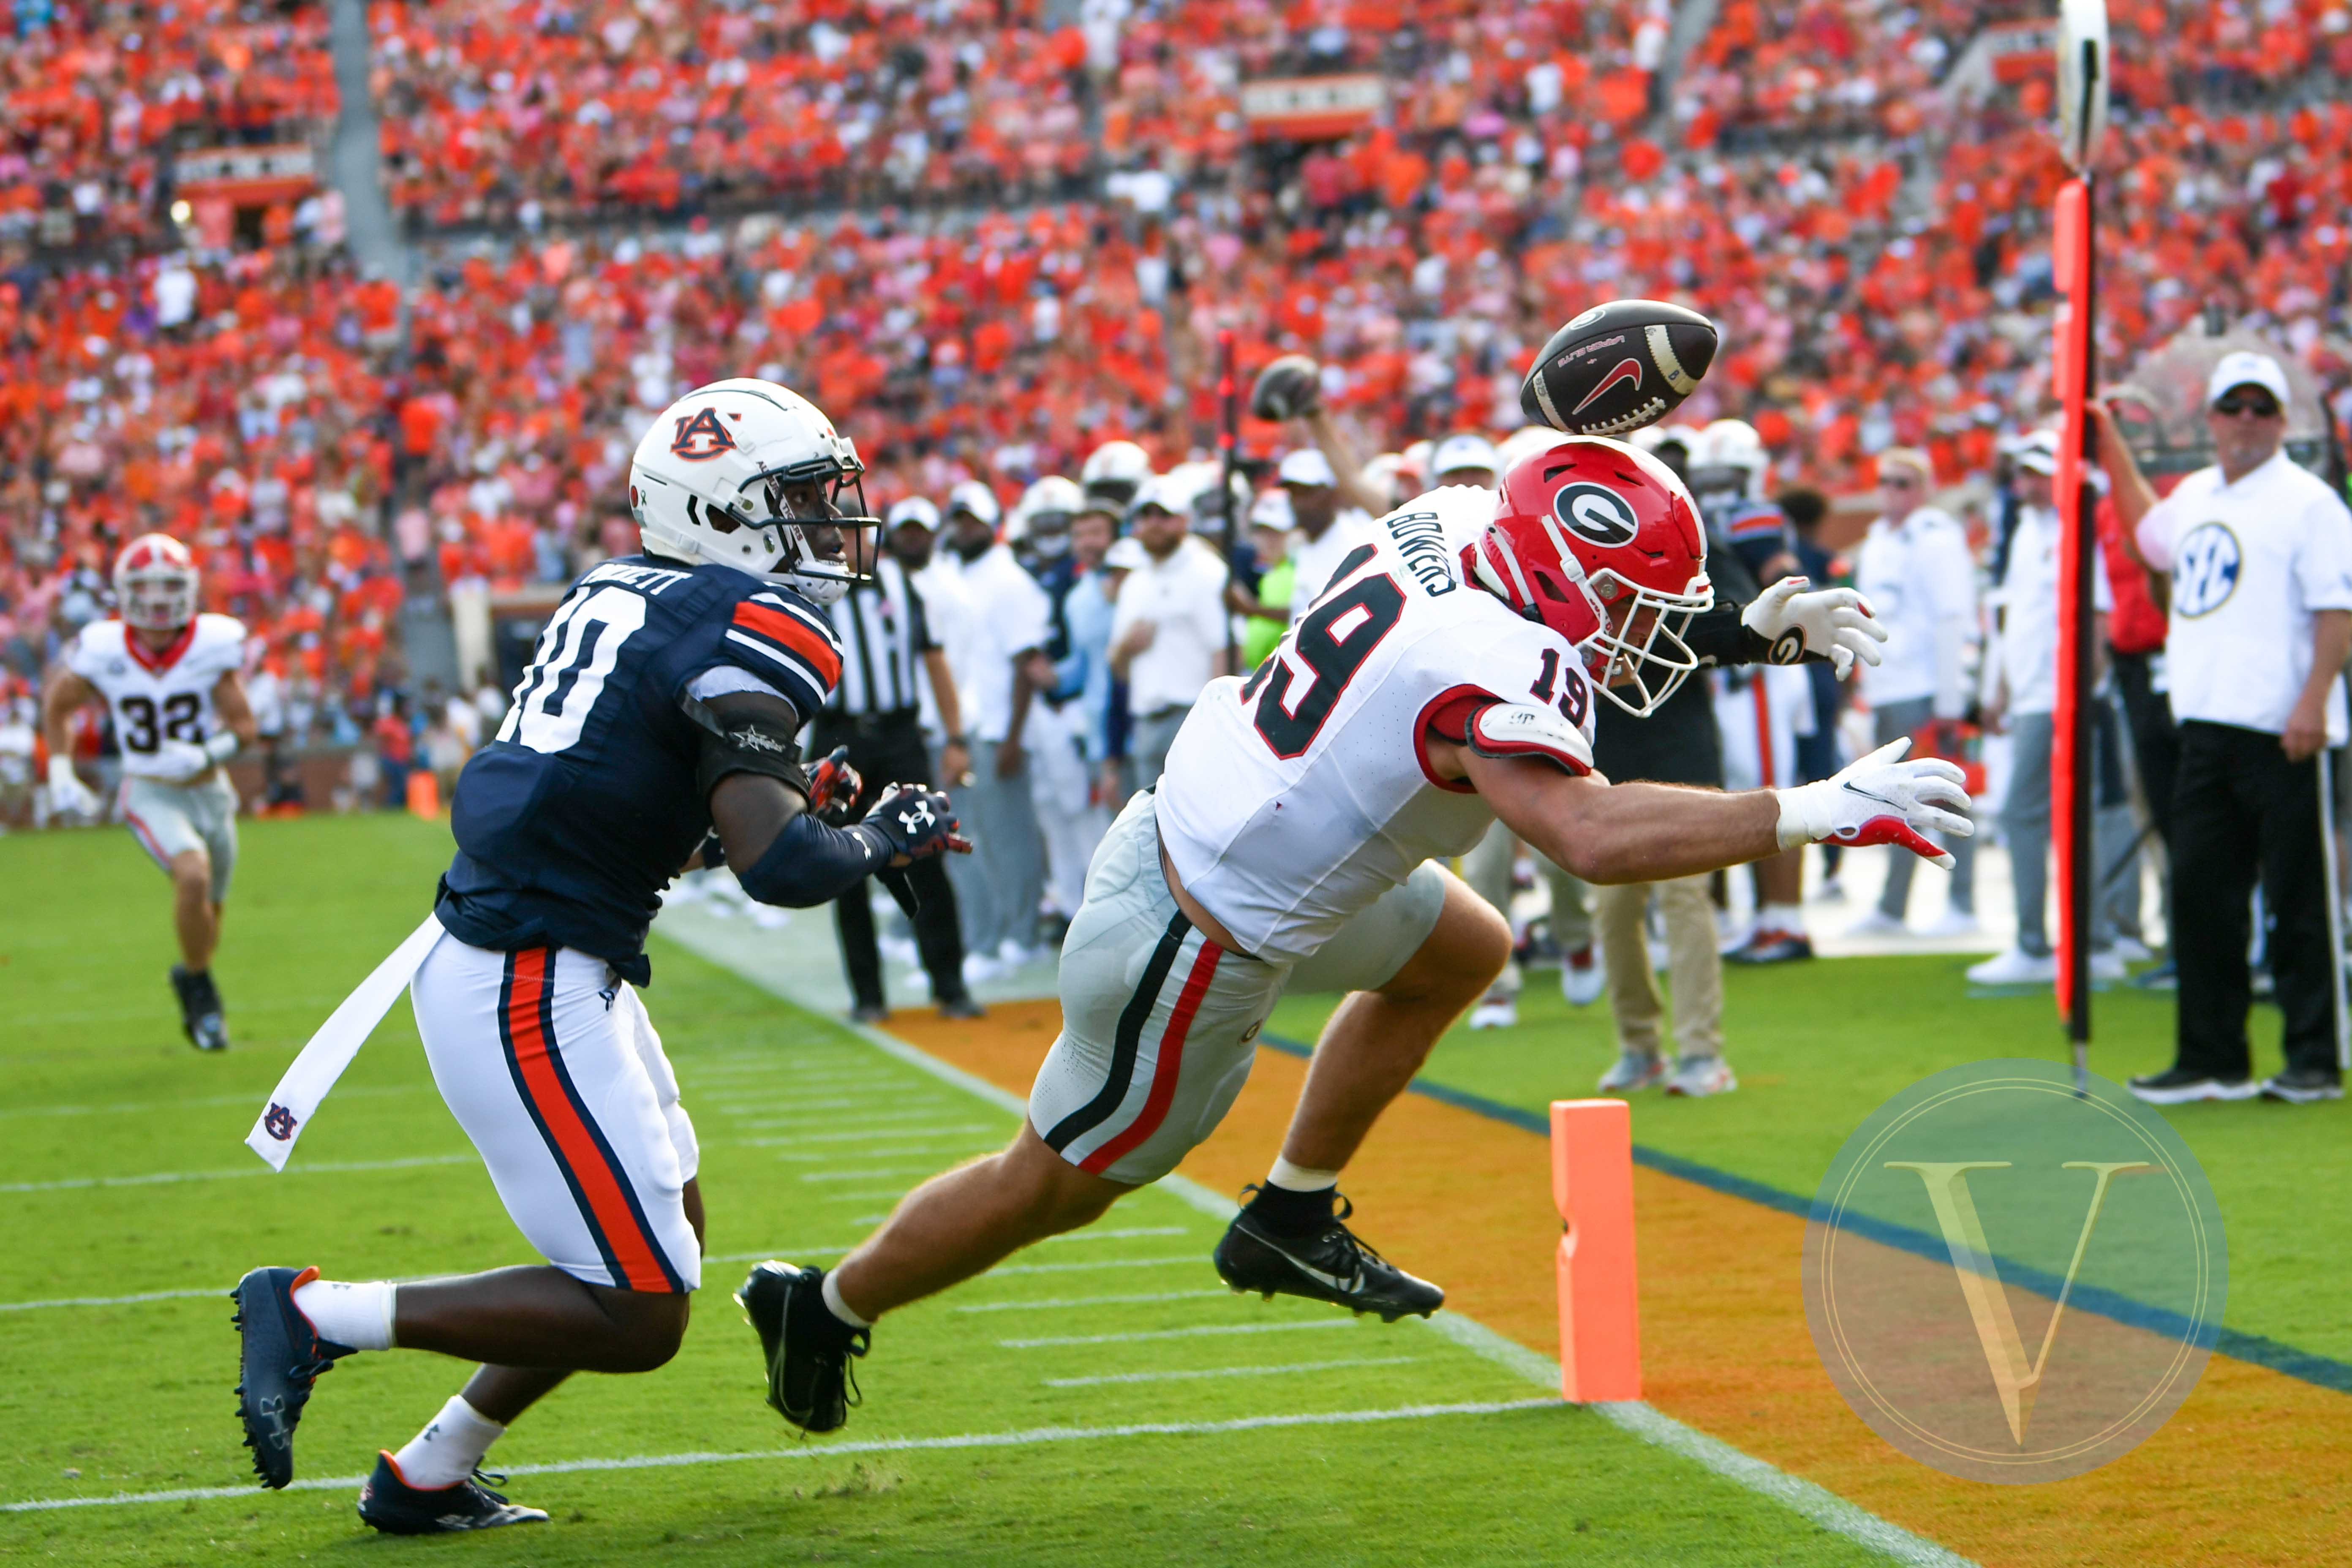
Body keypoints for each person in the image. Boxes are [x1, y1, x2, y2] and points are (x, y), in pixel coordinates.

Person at [732, 436, 1939, 1437]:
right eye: (1626, 603)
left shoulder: (1459, 516)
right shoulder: (1486, 662)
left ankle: (1291, 1214)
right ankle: (828, 1304)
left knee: (1463, 948)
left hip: (1244, 843)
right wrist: (1820, 808)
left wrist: (1735, 632)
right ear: (1562, 576)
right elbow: (1587, 831)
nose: (1634, 629)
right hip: (1194, 939)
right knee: (1055, 1182)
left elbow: (1568, 567)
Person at [230, 380, 965, 1531]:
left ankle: (425, 1473)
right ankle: (320, 1314)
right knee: (641, 1310)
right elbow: (784, 871)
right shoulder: (755, 626)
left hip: (545, 946)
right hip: (527, 975)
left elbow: (630, 799)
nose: (834, 528)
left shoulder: (625, 588)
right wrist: (879, 834)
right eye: (805, 503)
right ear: (723, 516)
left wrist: (776, 803)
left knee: (669, 1220)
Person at [2095, 351, 2352, 1104]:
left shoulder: (2309, 503)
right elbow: (2149, 539)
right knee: (2200, 895)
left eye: (2259, 407)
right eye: (2231, 406)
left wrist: (2312, 701)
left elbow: (2335, 613)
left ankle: (2311, 1058)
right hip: (2203, 722)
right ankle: (2211, 1055)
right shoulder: (2197, 493)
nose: (2245, 420)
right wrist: (2109, 442)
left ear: (2281, 418)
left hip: (2283, 728)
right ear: (2209, 417)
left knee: (2297, 899)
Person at [42, 533, 257, 1051]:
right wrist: (60, 771)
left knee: (211, 914)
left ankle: (193, 975)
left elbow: (245, 727)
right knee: (192, 875)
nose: (159, 600)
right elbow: (57, 705)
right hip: (151, 791)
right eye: (147, 587)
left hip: (210, 793)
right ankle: (204, 996)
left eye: (169, 587)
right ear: (125, 592)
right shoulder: (105, 648)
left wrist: (207, 753)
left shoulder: (211, 643)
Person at [1967, 430, 2127, 987]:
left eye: (2038, 472)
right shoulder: (2027, 531)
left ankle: (2045, 942)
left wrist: (2081, 694)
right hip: (2036, 694)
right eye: (2023, 472)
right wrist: (2001, 688)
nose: (2026, 482)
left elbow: (2100, 619)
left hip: (2060, 697)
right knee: (2058, 817)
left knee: (2032, 815)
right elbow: (2016, 622)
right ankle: (2087, 939)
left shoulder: (2074, 531)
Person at [815, 506, 980, 1022]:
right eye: (844, 533)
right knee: (845, 868)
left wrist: (955, 737)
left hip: (899, 736)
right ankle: (868, 994)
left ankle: (949, 983)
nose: (854, 544)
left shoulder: (903, 588)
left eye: (860, 534)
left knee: (928, 854)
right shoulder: (812, 591)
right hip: (841, 740)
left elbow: (935, 661)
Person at [1848, 447, 1981, 937]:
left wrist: (1950, 702)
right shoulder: (1879, 539)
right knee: (1889, 802)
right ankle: (1892, 905)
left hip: (1925, 687)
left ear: (1923, 489)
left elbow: (1952, 618)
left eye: (1903, 482)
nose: (1892, 490)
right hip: (1888, 688)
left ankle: (1962, 902)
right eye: (1885, 480)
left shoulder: (1935, 538)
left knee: (1946, 799)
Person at [931, 479, 1054, 966]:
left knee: (1011, 838)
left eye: (973, 520)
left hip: (1001, 726)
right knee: (980, 836)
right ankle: (1002, 931)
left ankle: (1023, 935)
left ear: (994, 524)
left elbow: (1026, 664)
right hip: (972, 724)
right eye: (959, 520)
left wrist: (1014, 736)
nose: (965, 529)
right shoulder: (961, 575)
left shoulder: (1009, 580)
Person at [1108, 473, 1232, 788]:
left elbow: (1225, 651)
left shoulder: (1207, 571)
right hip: (1146, 721)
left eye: (1164, 515)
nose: (1154, 523)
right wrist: (1126, 649)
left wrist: (1213, 725)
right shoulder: (1135, 582)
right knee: (1151, 829)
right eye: (1146, 515)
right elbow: (1118, 668)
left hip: (1191, 717)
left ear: (1184, 520)